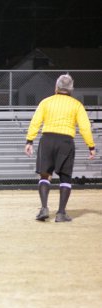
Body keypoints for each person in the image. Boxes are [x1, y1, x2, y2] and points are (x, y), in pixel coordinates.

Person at [24, 73, 96, 222]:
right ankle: (61, 213)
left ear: (56, 87)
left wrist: (29, 140)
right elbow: (85, 127)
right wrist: (91, 146)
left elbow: (35, 121)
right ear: (71, 89)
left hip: (47, 139)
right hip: (65, 141)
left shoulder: (46, 102)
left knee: (45, 175)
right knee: (65, 177)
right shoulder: (77, 105)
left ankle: (44, 208)